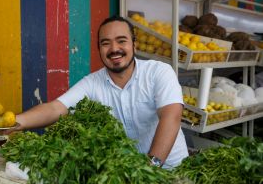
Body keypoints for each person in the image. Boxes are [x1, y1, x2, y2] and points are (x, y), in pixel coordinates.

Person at [11, 15, 188, 168]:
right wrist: (11, 123)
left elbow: (171, 117)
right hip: (128, 176)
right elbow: (56, 109)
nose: (114, 49)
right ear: (99, 50)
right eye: (105, 43)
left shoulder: (159, 72)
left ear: (134, 44)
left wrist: (151, 166)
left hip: (172, 173)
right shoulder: (92, 83)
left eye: (121, 41)